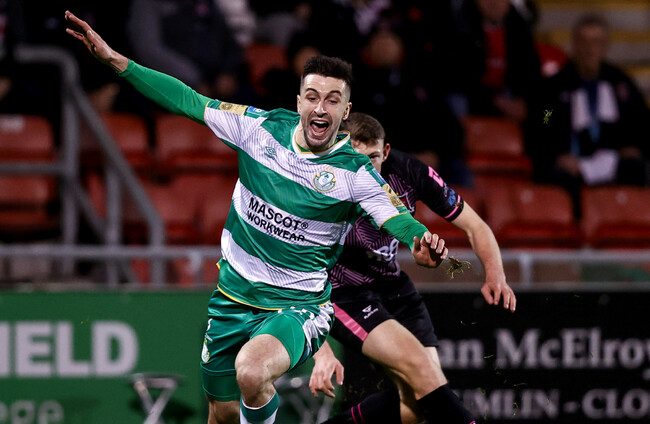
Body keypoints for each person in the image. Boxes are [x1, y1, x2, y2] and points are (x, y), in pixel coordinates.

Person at [65, 11, 451, 424]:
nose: (321, 108)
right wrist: (118, 62)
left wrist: (420, 241)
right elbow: (187, 100)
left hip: (298, 306)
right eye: (313, 97)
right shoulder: (258, 129)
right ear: (299, 102)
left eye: (333, 100)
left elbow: (396, 218)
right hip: (231, 299)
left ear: (345, 112)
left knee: (251, 371)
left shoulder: (356, 174)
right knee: (223, 413)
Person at [309, 112, 516, 424]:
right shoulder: (317, 183)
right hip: (343, 294)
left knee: (418, 404)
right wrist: (320, 349)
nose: (365, 167)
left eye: (373, 157)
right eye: (355, 157)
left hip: (392, 285)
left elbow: (475, 226)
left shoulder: (409, 172)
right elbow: (290, 270)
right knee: (423, 372)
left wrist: (495, 274)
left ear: (386, 152)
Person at [534, 13, 649, 217]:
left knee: (637, 168)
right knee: (556, 176)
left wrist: (634, 148)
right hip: (574, 162)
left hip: (614, 160)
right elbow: (544, 120)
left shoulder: (621, 84)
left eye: (596, 42)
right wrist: (558, 155)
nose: (590, 49)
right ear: (574, 45)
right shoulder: (556, 87)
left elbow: (641, 121)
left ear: (606, 46)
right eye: (584, 42)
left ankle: (629, 224)